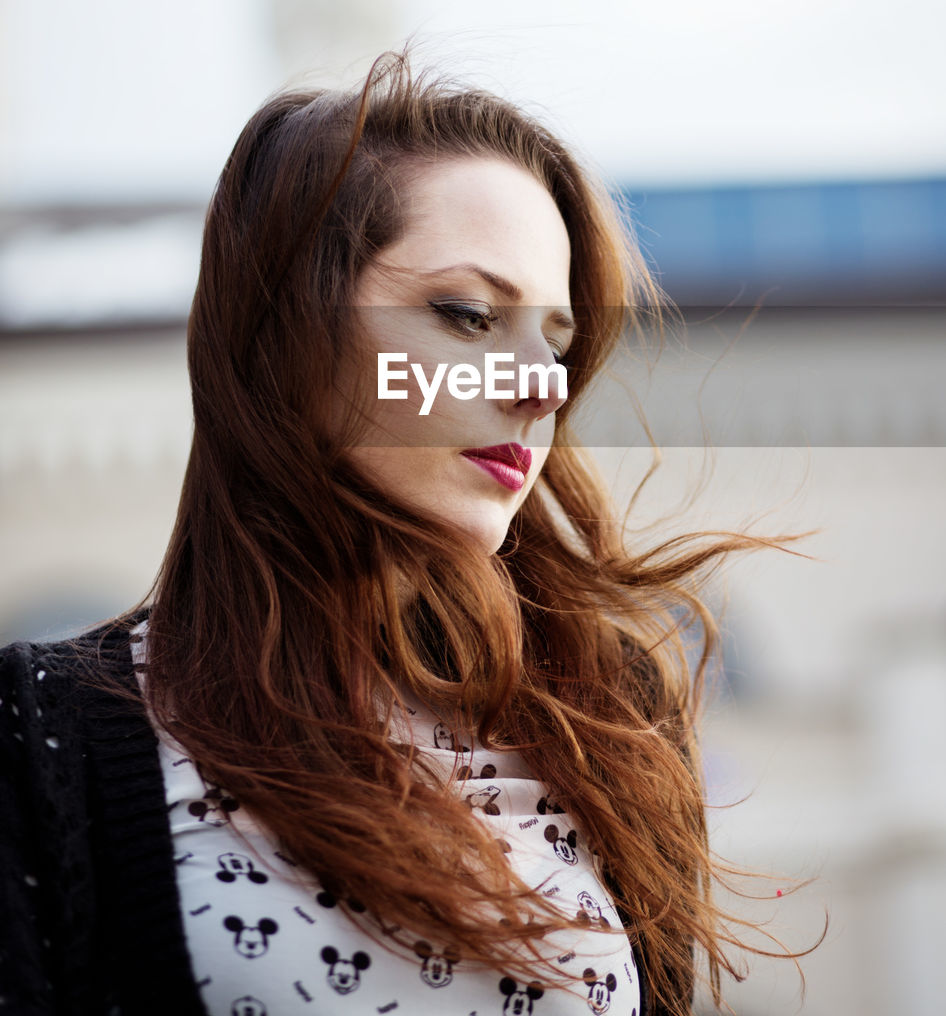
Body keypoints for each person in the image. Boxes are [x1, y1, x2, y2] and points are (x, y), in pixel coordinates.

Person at [0, 53, 801, 1016]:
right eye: (466, 315)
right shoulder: (54, 740)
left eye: (555, 340)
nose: (540, 385)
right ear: (286, 331)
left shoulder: (610, 722)